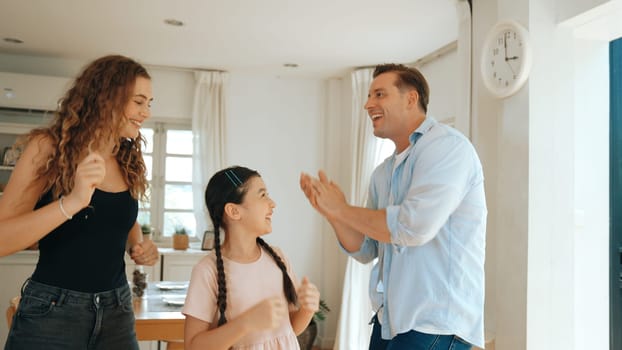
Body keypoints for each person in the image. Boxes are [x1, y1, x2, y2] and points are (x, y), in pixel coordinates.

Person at [300, 63, 487, 350]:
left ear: (411, 98)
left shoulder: (448, 148)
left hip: (436, 324)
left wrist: (342, 209)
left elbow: (414, 227)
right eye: (369, 96)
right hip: (390, 320)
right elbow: (366, 249)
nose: (367, 104)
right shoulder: (383, 173)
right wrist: (332, 213)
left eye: (379, 94)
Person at [0, 55, 160, 350]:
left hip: (117, 310)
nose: (146, 112)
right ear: (107, 97)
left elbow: (116, 218)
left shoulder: (125, 157)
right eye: (138, 102)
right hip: (52, 312)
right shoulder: (48, 147)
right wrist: (71, 203)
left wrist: (139, 244)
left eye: (149, 103)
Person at [183, 166, 320, 350]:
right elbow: (193, 346)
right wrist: (246, 323)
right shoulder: (207, 271)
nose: (272, 204)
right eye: (262, 195)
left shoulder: (278, 257)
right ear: (234, 211)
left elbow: (291, 329)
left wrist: (307, 309)